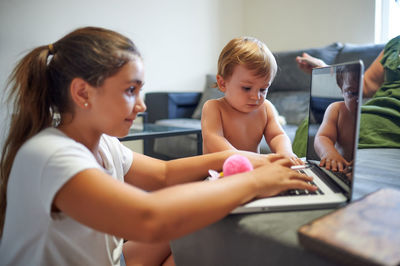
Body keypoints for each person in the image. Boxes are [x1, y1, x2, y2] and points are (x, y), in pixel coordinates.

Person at [0, 27, 317, 266]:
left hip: (115, 260)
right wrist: (253, 181)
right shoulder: (49, 154)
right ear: (82, 93)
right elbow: (148, 218)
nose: (141, 105)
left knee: (202, 235)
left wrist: (254, 160)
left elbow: (165, 173)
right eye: (130, 90)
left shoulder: (106, 145)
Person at [201, 37, 302, 165]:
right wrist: (244, 160)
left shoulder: (265, 108)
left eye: (263, 89)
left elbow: (277, 135)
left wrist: (285, 152)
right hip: (218, 174)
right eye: (247, 88)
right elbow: (213, 140)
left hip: (251, 172)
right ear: (222, 83)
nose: (256, 96)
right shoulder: (214, 108)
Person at [295, 35, 400, 151]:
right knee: (308, 124)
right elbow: (365, 85)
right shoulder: (395, 44)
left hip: (391, 120)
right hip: (374, 110)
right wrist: (324, 68)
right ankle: (303, 168)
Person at [313, 64, 360, 172]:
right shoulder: (337, 110)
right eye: (352, 93)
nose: (358, 99)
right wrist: (328, 153)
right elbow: (322, 137)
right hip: (339, 170)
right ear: (341, 90)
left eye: (363, 93)